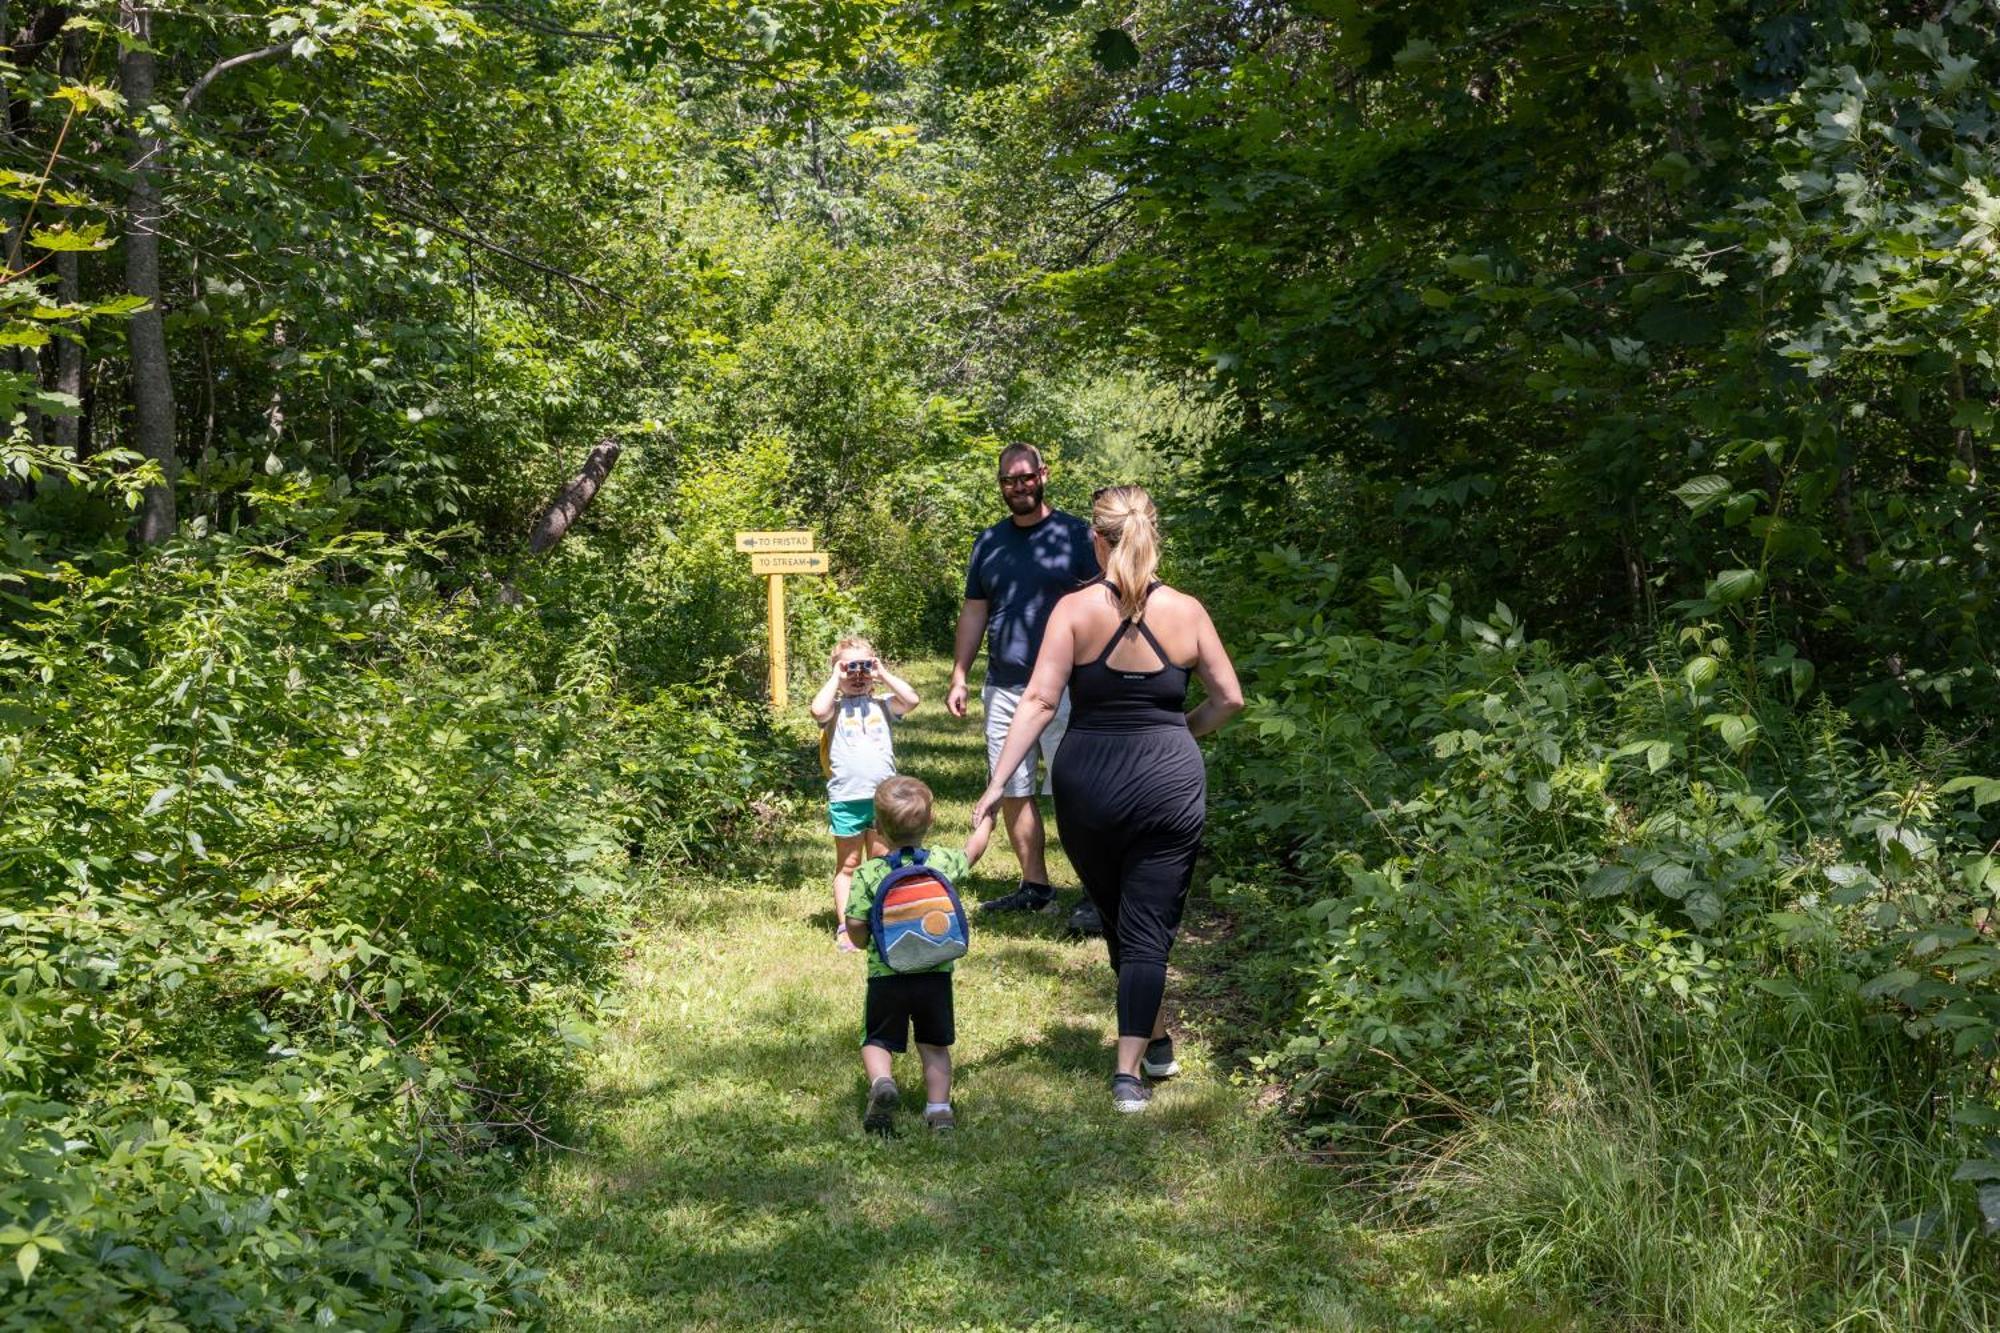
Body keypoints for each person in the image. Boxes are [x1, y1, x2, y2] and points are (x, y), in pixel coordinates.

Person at [972, 486, 1243, 1113]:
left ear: (1097, 539)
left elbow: (1038, 702)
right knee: (1144, 925)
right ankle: (1145, 1047)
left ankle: (1133, 1065)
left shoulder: (1072, 611)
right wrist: (1180, 730)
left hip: (1088, 783)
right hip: (1168, 782)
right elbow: (1229, 699)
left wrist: (995, 789)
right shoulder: (1188, 611)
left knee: (1124, 920)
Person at [946, 443, 1102, 928]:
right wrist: (959, 674)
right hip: (1006, 684)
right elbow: (975, 609)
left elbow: (1105, 602)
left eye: (1026, 477)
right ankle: (1035, 886)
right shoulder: (989, 542)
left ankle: (1096, 893)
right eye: (1009, 480)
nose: (1019, 486)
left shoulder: (1078, 535)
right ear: (1001, 485)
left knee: (1077, 790)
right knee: (1011, 787)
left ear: (1043, 475)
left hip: (1069, 684)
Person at [845, 775, 995, 1134]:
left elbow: (854, 923)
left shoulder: (869, 873)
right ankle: (940, 1110)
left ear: (878, 829)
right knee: (934, 1043)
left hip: (887, 974)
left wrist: (864, 940)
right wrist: (988, 817)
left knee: (877, 1038)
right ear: (930, 821)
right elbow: (972, 852)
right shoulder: (941, 861)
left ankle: (882, 1082)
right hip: (935, 971)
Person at [810, 637, 920, 951]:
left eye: (864, 667)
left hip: (883, 799)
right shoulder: (834, 709)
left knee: (883, 861)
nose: (857, 674)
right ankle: (847, 925)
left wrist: (881, 672)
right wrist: (836, 676)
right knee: (848, 864)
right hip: (846, 798)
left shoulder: (882, 704)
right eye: (850, 667)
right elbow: (817, 709)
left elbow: (911, 700)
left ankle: (882, 917)